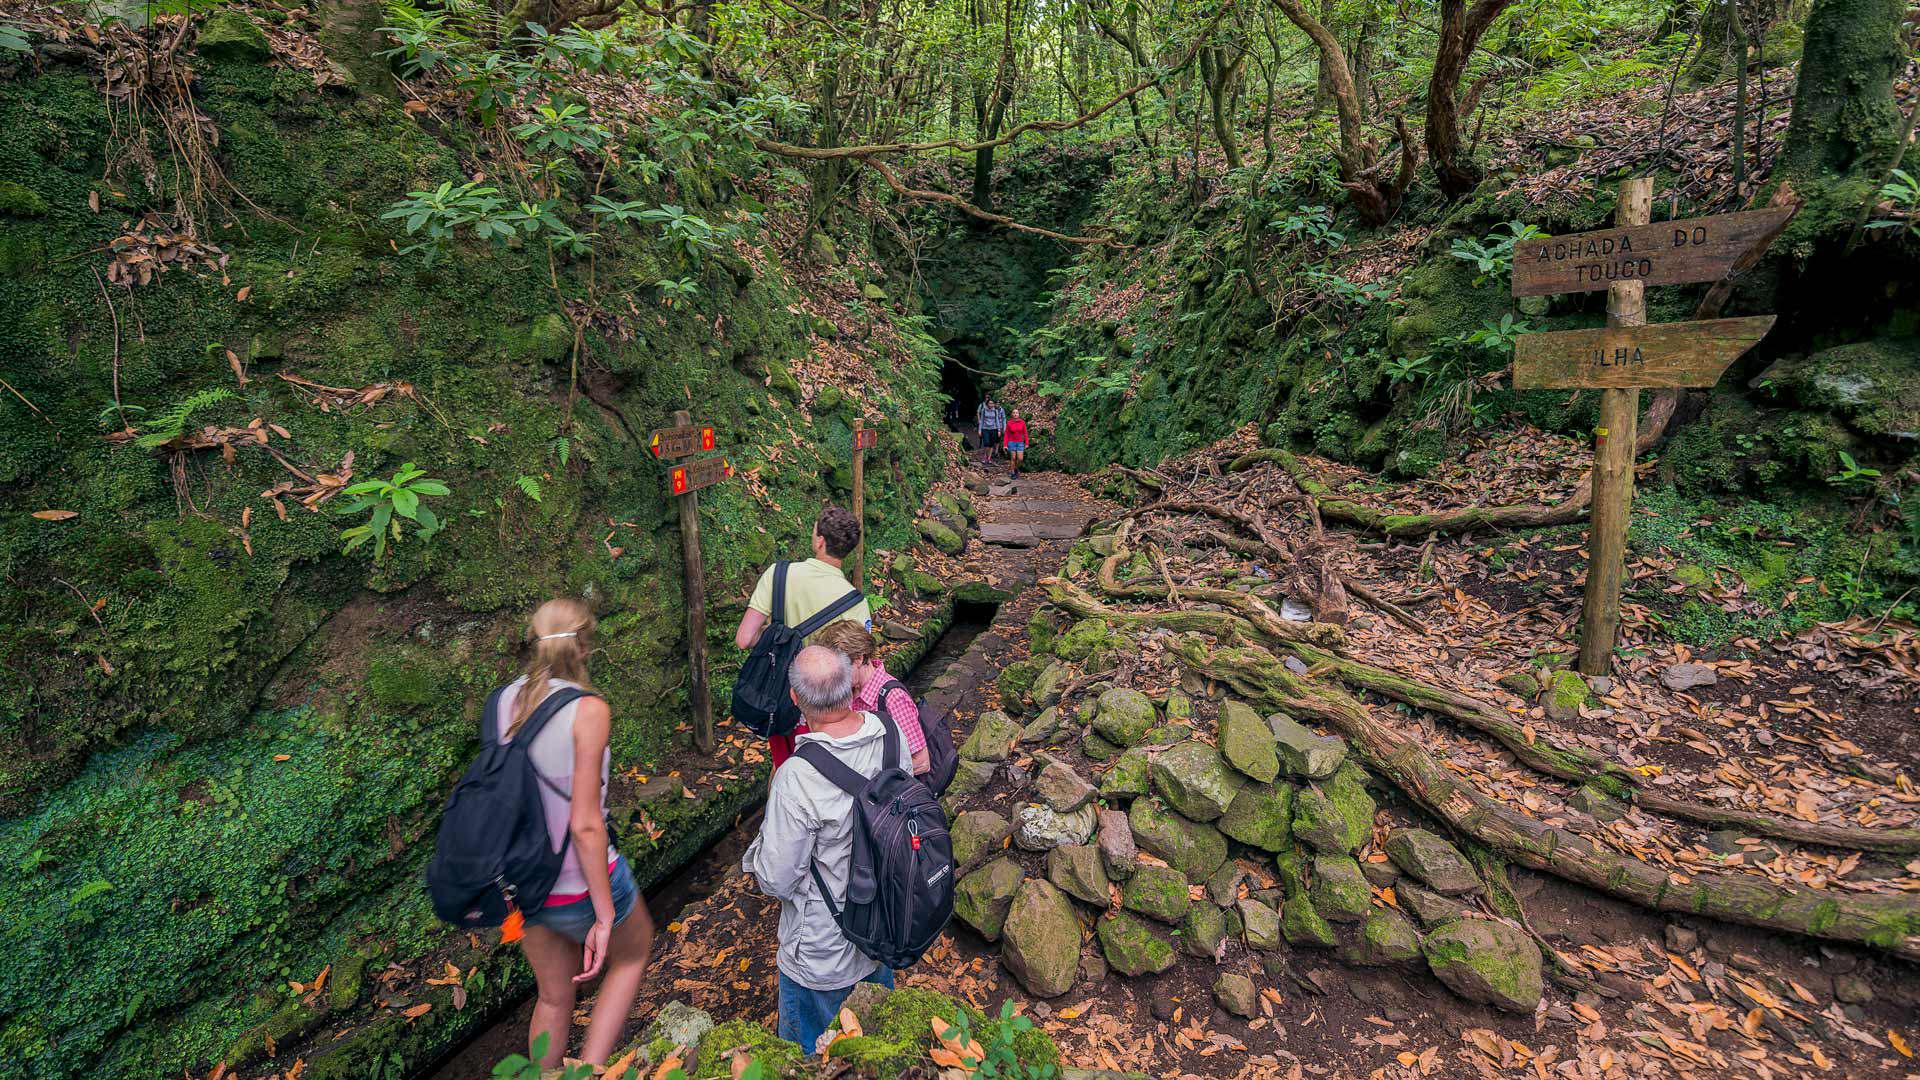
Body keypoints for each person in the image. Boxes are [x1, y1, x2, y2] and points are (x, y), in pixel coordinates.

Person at [499, 599, 655, 1068]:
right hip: (580, 884)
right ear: (584, 648)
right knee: (631, 957)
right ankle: (588, 1071)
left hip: (522, 880)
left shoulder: (504, 701)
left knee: (552, 995)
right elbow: (585, 824)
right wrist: (604, 915)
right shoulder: (588, 710)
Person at [744, 647, 912, 1055]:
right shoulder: (891, 735)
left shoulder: (797, 776)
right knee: (876, 1048)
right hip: (885, 929)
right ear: (849, 687)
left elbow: (777, 878)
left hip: (824, 952)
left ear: (796, 699)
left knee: (810, 1056)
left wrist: (757, 851)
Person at [735, 506, 872, 767]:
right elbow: (856, 671)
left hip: (780, 700)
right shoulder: (856, 603)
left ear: (819, 540)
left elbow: (744, 639)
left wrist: (780, 638)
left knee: (784, 767)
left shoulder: (779, 574)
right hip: (825, 709)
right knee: (823, 773)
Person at [814, 621, 930, 777]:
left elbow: (922, 762)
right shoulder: (848, 692)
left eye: (839, 670)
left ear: (859, 659)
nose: (835, 678)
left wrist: (868, 781)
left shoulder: (893, 698)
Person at [976, 397, 1005, 464]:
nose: (991, 405)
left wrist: (998, 430)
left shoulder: (995, 411)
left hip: (994, 429)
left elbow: (997, 420)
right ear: (987, 404)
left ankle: (989, 458)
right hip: (985, 428)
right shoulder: (984, 410)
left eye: (992, 403)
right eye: (990, 403)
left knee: (991, 444)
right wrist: (980, 430)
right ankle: (985, 456)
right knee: (986, 443)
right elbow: (982, 420)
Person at [1003, 409, 1029, 479]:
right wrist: (1005, 445)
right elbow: (1006, 435)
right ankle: (1012, 472)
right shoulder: (1009, 423)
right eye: (1014, 413)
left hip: (1020, 442)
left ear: (1018, 414)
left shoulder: (1022, 422)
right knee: (1013, 458)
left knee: (1020, 459)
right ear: (1012, 414)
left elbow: (1025, 433)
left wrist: (1027, 443)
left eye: (1016, 413)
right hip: (1011, 442)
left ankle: (1015, 468)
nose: (1015, 414)